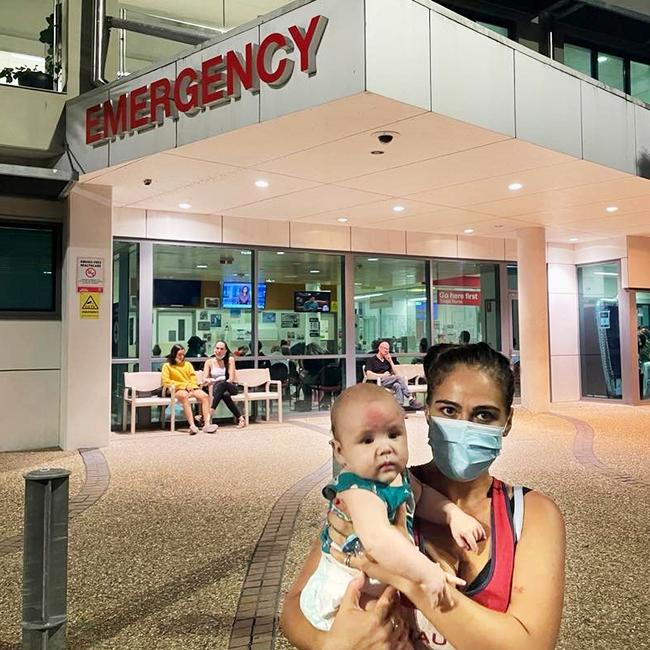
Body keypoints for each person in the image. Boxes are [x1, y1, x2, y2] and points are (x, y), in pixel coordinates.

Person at [281, 342, 566, 650]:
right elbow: (295, 609)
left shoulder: (531, 514)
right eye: (448, 410)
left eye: (484, 415)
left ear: (507, 422)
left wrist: (408, 579)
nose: (464, 427)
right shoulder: (381, 491)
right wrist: (333, 644)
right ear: (427, 410)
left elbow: (530, 645)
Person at [299, 383, 484, 632]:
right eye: (367, 440)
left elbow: (422, 496)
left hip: (378, 581)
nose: (385, 447)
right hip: (347, 592)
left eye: (394, 434)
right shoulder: (359, 489)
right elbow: (378, 539)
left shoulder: (397, 475)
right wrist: (428, 572)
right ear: (340, 451)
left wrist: (452, 514)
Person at [161, 344, 216, 435]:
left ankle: (206, 424)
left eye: (183, 355)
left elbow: (193, 377)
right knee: (184, 396)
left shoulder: (188, 364)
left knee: (205, 396)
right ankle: (192, 425)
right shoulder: (167, 366)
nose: (182, 357)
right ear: (174, 354)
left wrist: (190, 386)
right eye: (179, 355)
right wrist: (183, 386)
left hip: (191, 388)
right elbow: (166, 381)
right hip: (177, 389)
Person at [366, 340, 423, 410]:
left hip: (389, 381)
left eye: (388, 349)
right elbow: (368, 374)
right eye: (385, 348)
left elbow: (396, 373)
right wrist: (382, 375)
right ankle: (410, 397)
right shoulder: (371, 360)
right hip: (379, 381)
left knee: (397, 385)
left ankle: (399, 408)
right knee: (398, 378)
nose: (387, 351)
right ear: (380, 348)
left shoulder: (387, 360)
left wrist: (390, 361)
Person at [203, 341, 245, 429]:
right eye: (217, 348)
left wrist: (218, 381)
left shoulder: (230, 360)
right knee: (225, 394)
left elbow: (231, 379)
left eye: (222, 349)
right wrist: (210, 380)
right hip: (217, 389)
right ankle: (241, 418)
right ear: (214, 349)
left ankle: (208, 415)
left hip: (231, 386)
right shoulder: (209, 362)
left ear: (225, 351)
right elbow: (204, 379)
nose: (219, 351)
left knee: (222, 384)